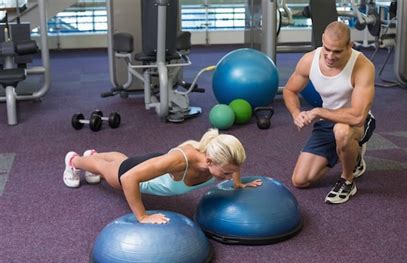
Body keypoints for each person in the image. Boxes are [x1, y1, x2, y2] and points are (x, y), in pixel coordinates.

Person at [63, 129, 262, 224]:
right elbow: (128, 179)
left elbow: (234, 166)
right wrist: (142, 216)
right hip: (135, 174)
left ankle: (93, 154)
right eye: (227, 173)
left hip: (155, 165)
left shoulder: (222, 160)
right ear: (209, 162)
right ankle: (75, 161)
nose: (230, 175)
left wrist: (238, 184)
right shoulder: (181, 161)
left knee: (119, 160)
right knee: (112, 172)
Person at [283, 21, 376, 204]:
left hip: (357, 123)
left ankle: (348, 180)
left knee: (342, 131)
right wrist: (295, 113)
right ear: (322, 41)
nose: (330, 56)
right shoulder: (310, 60)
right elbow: (289, 90)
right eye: (327, 49)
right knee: (300, 180)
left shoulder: (363, 66)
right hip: (327, 122)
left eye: (338, 51)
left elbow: (357, 116)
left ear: (350, 46)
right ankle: (353, 154)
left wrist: (318, 111)